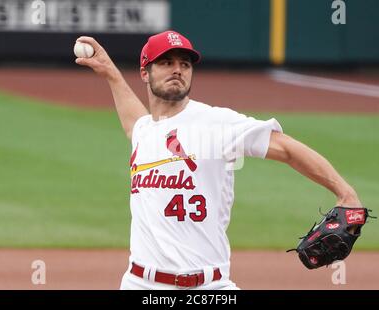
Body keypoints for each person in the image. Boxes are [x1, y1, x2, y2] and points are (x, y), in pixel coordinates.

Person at [75, 30, 363, 290]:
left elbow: (286, 149)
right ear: (145, 73)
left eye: (185, 64)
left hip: (209, 288)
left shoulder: (217, 123)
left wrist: (345, 193)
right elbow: (133, 123)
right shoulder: (146, 129)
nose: (178, 70)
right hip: (139, 284)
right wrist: (111, 73)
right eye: (166, 63)